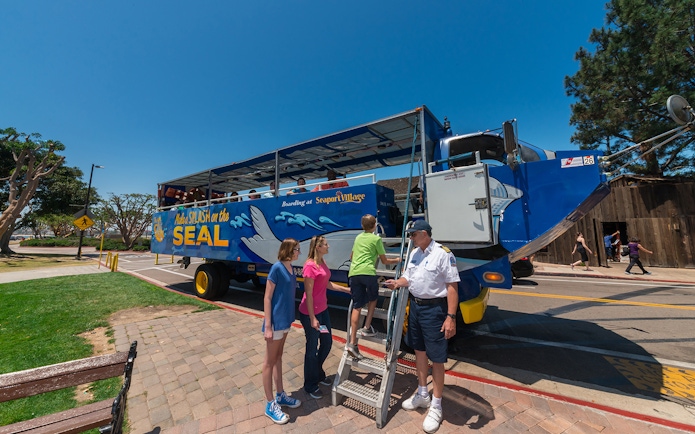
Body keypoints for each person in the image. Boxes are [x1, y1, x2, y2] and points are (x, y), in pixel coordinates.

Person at [384, 220, 460, 433]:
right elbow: (410, 276)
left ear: (424, 234)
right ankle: (422, 394)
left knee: (436, 358)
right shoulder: (415, 253)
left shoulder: (443, 254)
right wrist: (398, 282)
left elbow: (452, 286)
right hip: (415, 308)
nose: (410, 238)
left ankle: (436, 406)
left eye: (413, 235)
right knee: (419, 351)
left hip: (435, 310)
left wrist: (450, 317)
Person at [299, 235, 351, 399]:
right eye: (326, 244)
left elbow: (326, 284)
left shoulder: (321, 262)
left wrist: (345, 290)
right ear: (318, 247)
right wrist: (313, 318)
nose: (328, 246)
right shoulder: (309, 266)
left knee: (327, 342)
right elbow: (308, 293)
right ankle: (310, 384)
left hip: (323, 309)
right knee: (312, 348)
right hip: (310, 313)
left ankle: (317, 372)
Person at [346, 214, 400, 359]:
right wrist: (398, 259)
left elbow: (351, 257)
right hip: (368, 273)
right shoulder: (376, 239)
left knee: (357, 306)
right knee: (373, 298)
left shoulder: (358, 237)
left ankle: (352, 343)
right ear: (375, 225)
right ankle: (366, 327)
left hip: (354, 273)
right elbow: (385, 261)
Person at [262, 238, 302, 424]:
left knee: (278, 358)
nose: (299, 252)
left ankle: (280, 395)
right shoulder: (277, 268)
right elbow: (268, 298)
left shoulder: (291, 268)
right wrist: (268, 326)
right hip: (276, 323)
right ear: (288, 249)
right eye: (297, 249)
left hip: (286, 321)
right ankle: (270, 405)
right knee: (269, 363)